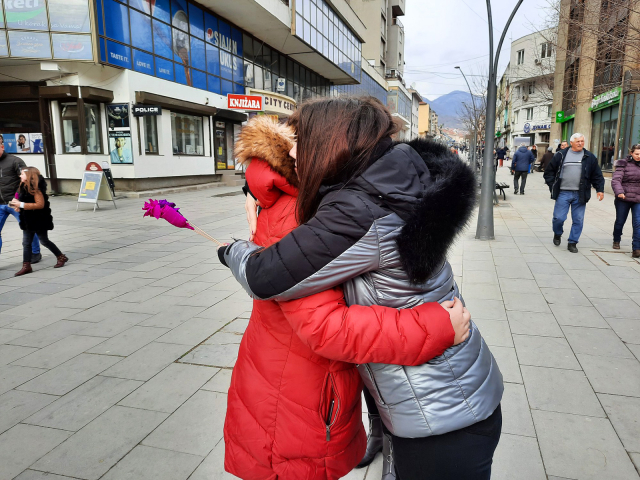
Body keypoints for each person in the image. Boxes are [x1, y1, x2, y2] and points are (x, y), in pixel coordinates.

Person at [220, 97, 503, 480]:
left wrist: (235, 249)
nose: (293, 149)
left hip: (440, 415)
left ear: (329, 141)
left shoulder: (357, 209)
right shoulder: (394, 177)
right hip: (460, 393)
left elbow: (265, 277)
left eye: (302, 139)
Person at [544, 133, 605, 253]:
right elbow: (549, 172)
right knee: (558, 218)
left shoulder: (589, 157)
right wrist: (553, 185)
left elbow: (597, 175)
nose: (580, 143)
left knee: (578, 219)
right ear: (571, 143)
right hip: (563, 193)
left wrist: (600, 189)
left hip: (580, 193)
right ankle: (557, 233)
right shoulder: (561, 155)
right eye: (578, 141)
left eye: (582, 141)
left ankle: (572, 242)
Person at [9, 167, 67, 276]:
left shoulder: (37, 190)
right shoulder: (22, 186)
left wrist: (21, 205)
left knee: (44, 241)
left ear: (29, 176)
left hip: (39, 220)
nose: (20, 176)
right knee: (26, 243)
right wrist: (15, 205)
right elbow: (18, 199)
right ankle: (26, 266)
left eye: (22, 174)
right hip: (27, 220)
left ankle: (61, 257)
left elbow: (40, 205)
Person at [0, 135, 41, 264]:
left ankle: (35, 252)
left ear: (2, 147)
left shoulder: (15, 161)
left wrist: (17, 199)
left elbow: (26, 181)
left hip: (15, 202)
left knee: (27, 227)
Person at [611, 144, 640, 257]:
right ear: (631, 153)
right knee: (620, 221)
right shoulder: (623, 164)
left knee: (638, 223)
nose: (639, 156)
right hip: (624, 197)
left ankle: (636, 248)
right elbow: (616, 180)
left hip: (638, 199)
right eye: (637, 154)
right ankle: (616, 239)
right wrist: (619, 192)